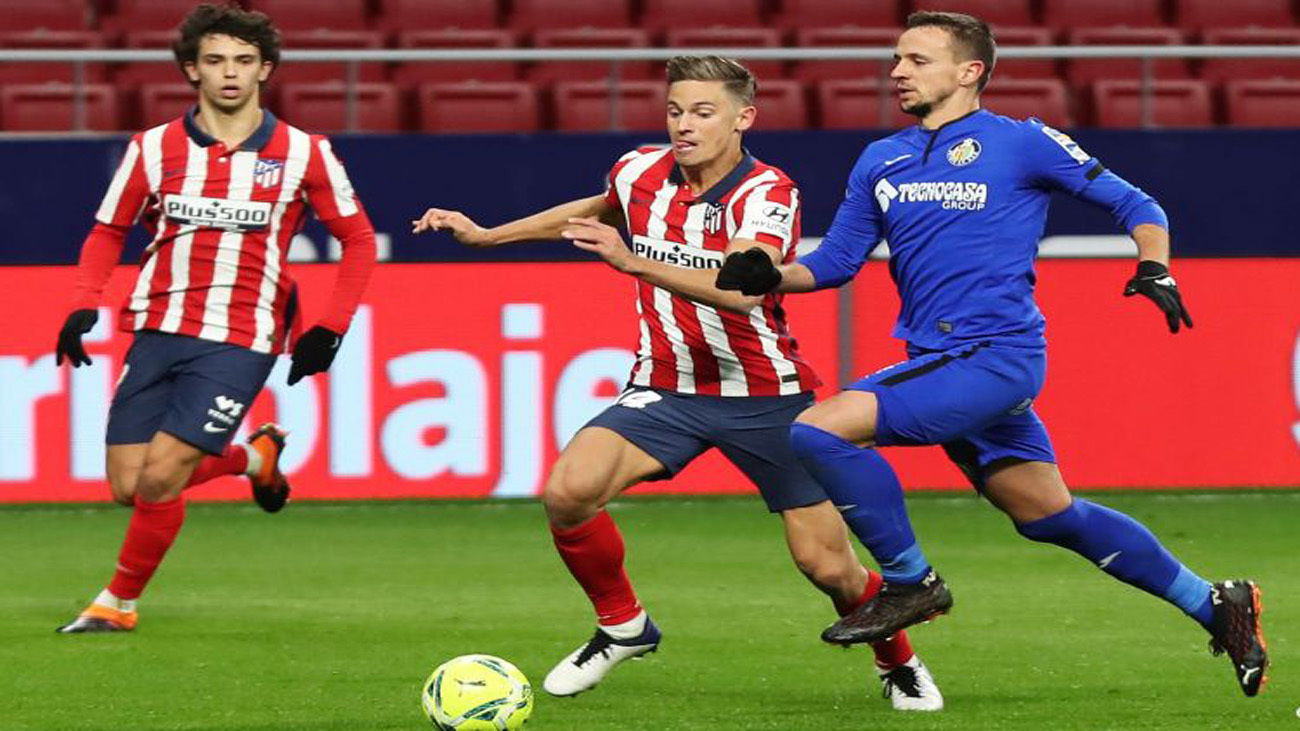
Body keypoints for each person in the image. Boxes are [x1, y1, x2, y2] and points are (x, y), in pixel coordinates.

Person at [715, 11, 1268, 698]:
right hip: (944, 360)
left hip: (992, 355)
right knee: (1048, 514)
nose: (897, 71)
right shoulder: (880, 159)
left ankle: (912, 581)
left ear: (969, 71)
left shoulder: (1020, 143)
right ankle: (1214, 602)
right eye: (897, 58)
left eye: (917, 59)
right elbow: (835, 260)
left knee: (817, 430)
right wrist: (772, 275)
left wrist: (1155, 265)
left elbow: (1136, 201)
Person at [413, 56, 943, 711]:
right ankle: (623, 625)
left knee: (828, 566)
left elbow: (746, 294)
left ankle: (899, 661)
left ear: (743, 118)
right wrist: (490, 235)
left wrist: (630, 260)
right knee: (567, 491)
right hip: (666, 389)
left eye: (701, 112)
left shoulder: (768, 193)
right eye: (674, 110)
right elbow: (597, 208)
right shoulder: (638, 170)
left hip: (767, 398)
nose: (682, 125)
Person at [54, 2, 376, 633]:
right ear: (190, 71)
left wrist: (331, 326)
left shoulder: (304, 152)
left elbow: (359, 240)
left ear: (266, 70)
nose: (230, 73)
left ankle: (117, 603)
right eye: (216, 61)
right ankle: (253, 459)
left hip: (242, 334)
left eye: (244, 61)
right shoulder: (153, 148)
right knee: (128, 484)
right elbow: (106, 230)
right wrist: (80, 302)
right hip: (158, 324)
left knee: (163, 474)